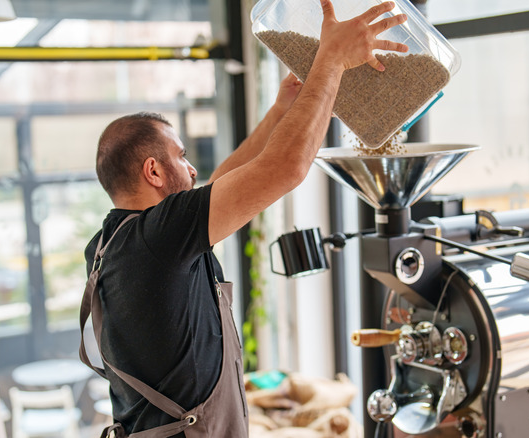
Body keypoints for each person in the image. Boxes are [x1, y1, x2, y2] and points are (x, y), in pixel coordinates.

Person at [81, 1, 409, 436]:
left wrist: (282, 111)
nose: (192, 169)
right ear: (153, 171)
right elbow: (285, 169)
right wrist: (332, 60)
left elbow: (225, 185)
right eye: (180, 157)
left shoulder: (116, 240)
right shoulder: (158, 236)